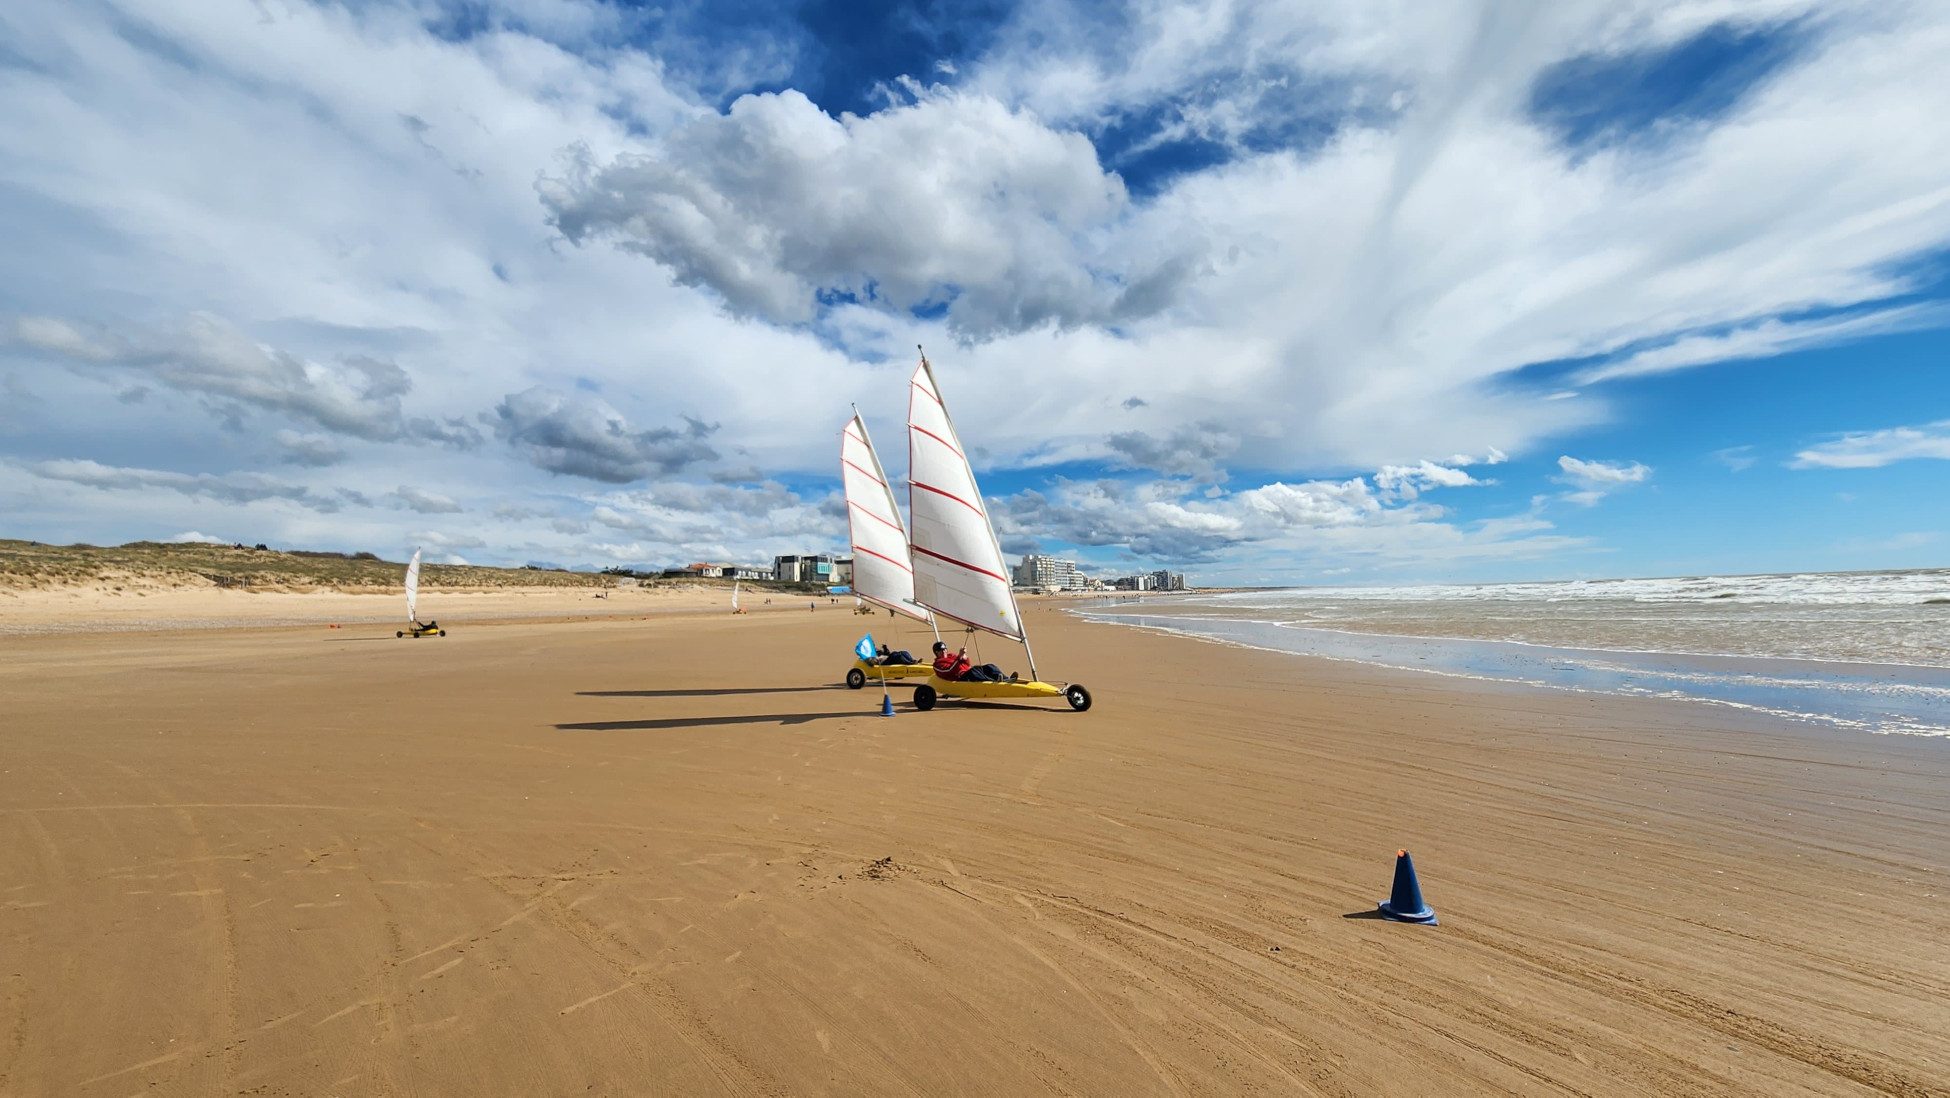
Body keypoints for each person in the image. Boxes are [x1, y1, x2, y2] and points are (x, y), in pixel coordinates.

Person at [931, 641, 1011, 683]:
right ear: (936, 652)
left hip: (967, 672)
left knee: (989, 666)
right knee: (973, 671)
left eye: (945, 649)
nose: (944, 651)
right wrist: (959, 657)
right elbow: (949, 670)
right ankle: (994, 682)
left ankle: (1006, 678)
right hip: (960, 678)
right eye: (941, 650)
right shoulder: (937, 664)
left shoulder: (951, 655)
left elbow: (967, 663)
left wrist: (964, 657)